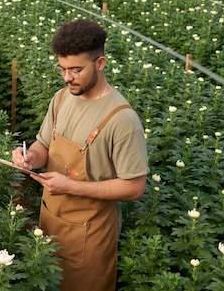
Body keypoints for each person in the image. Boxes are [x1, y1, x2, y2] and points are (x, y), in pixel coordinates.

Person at [11, 18, 149, 291]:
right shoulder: (61, 99)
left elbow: (135, 187)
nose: (67, 78)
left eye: (75, 70)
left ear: (100, 63)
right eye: (61, 69)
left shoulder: (121, 119)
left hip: (90, 238)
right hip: (50, 222)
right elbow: (43, 145)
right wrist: (30, 158)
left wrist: (70, 186)